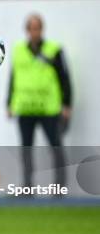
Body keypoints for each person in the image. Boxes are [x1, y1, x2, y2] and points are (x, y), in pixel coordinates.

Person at [8, 14, 71, 191]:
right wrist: (9, 103)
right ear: (27, 30)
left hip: (48, 108)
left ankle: (59, 186)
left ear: (42, 29)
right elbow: (13, 78)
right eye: (31, 28)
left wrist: (67, 104)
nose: (35, 32)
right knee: (26, 149)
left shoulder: (53, 50)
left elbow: (64, 78)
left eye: (38, 28)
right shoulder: (18, 50)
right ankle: (27, 185)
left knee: (55, 146)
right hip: (25, 107)